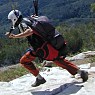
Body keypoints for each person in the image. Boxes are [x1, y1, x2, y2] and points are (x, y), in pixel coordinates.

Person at [6, 10, 88, 87]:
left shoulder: (22, 24)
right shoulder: (28, 19)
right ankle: (80, 72)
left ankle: (39, 78)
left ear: (14, 18)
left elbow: (29, 31)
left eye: (11, 20)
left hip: (40, 47)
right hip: (48, 44)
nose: (11, 22)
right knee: (57, 59)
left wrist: (15, 36)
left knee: (24, 61)